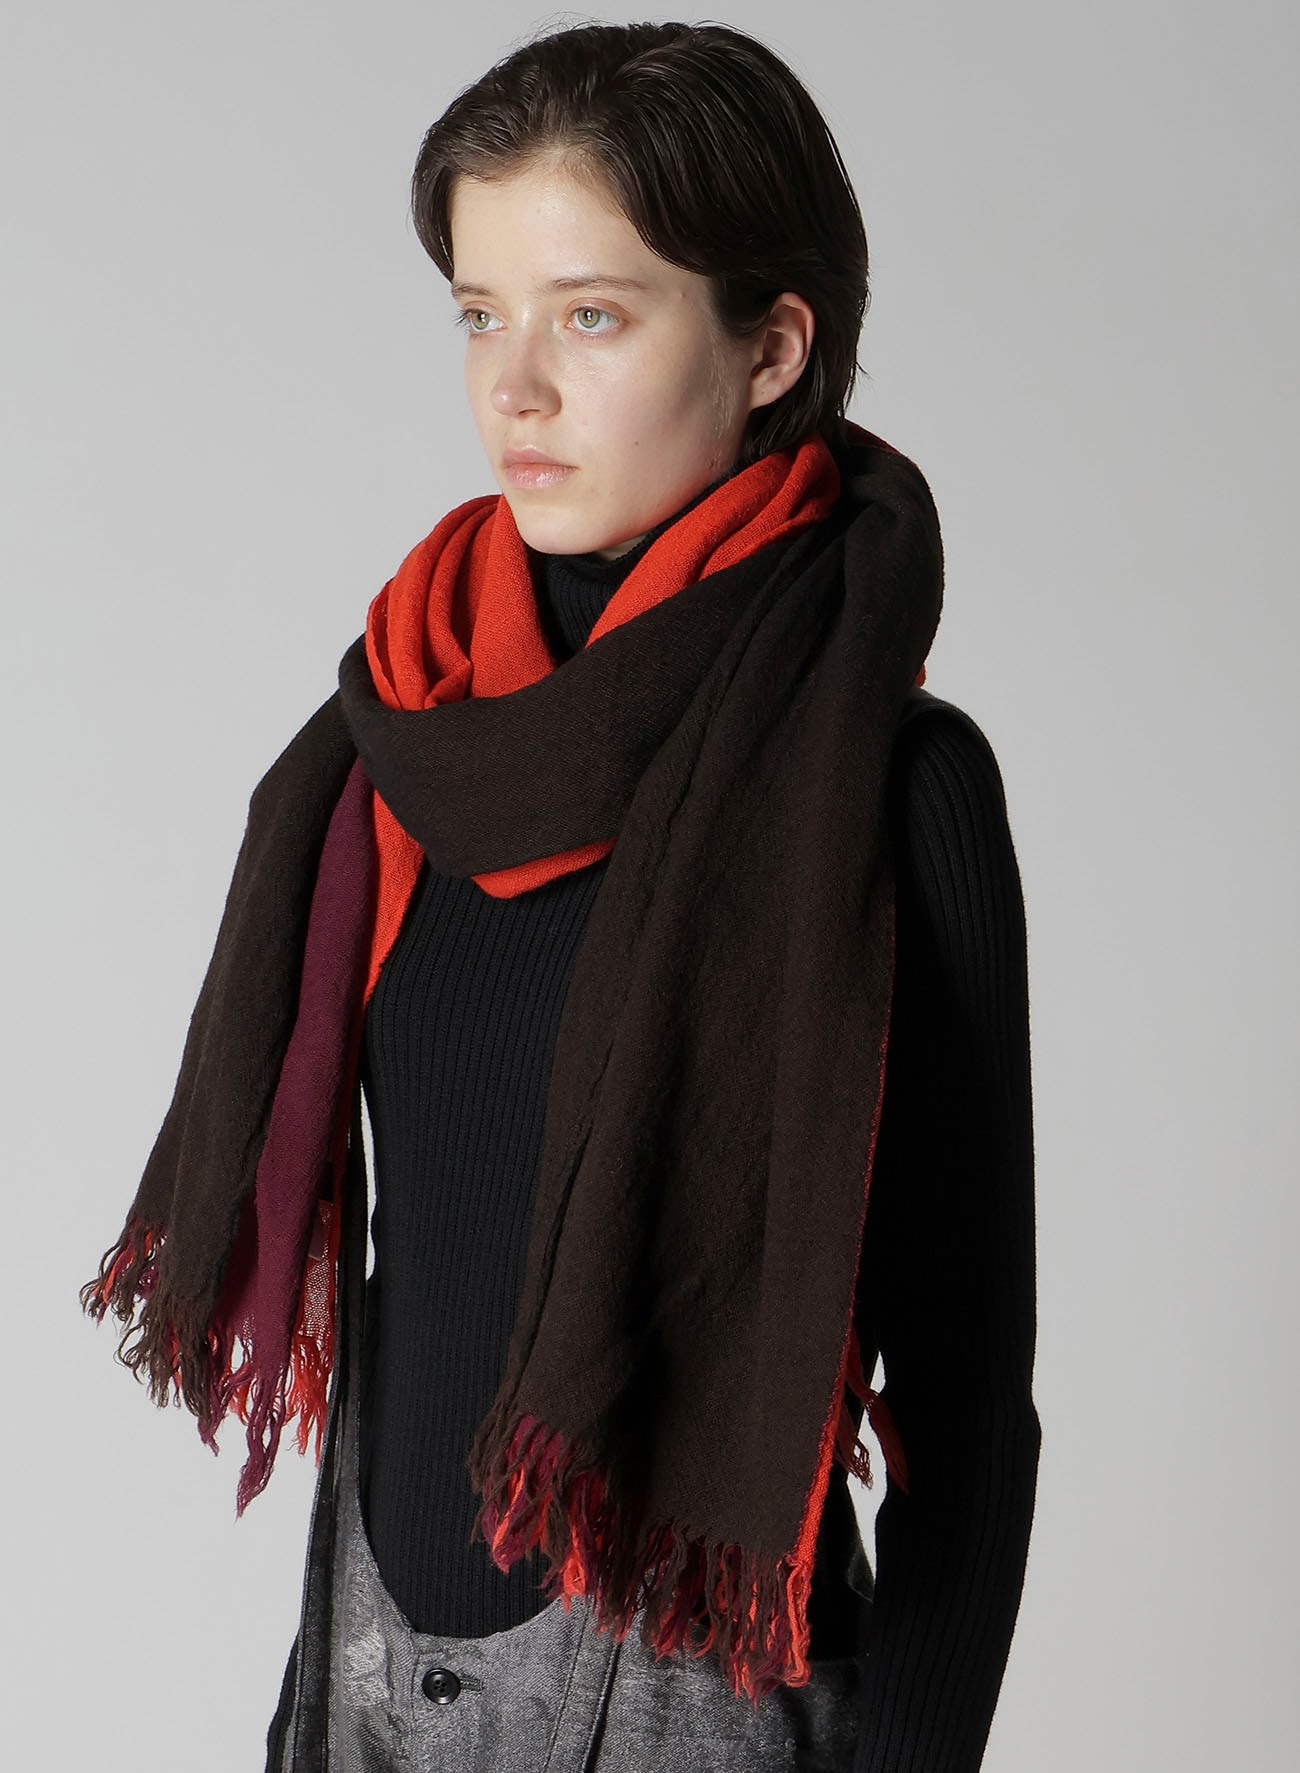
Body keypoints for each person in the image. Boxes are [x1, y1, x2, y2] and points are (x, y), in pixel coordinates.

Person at [81, 20, 1040, 1772]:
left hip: (702, 1709)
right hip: (362, 1692)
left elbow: (969, 1415)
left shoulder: (891, 785)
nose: (512, 386)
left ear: (771, 345)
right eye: (479, 312)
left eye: (590, 316)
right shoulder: (395, 744)